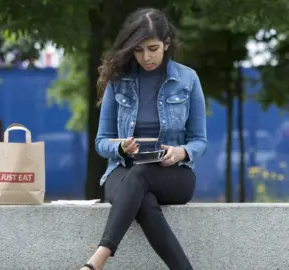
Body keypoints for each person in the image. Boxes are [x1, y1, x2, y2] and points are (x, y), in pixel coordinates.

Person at [80, 7, 208, 270]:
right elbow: (101, 142)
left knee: (140, 176)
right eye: (138, 50)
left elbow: (199, 141)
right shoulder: (119, 81)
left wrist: (180, 152)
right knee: (143, 198)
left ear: (166, 44)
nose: (146, 57)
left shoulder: (188, 79)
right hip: (122, 170)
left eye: (152, 48)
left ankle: (97, 261)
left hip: (173, 174)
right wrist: (122, 148)